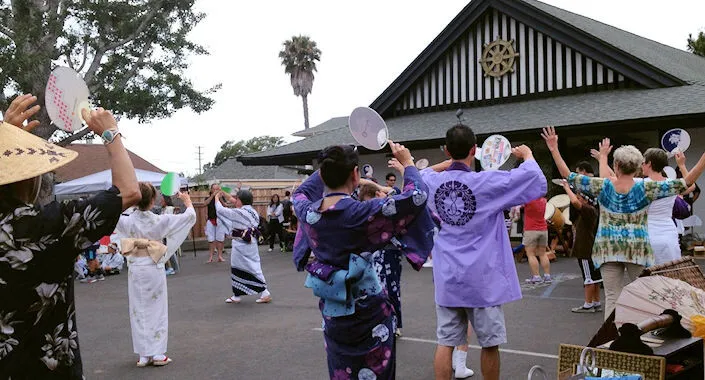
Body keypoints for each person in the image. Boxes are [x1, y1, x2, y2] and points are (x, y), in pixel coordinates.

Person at [0, 95, 141, 379]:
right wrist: (110, 133)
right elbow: (129, 191)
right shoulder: (49, 225)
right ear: (32, 178)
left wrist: (5, 139)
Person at [292, 142, 434, 380]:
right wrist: (408, 163)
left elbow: (300, 193)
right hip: (369, 312)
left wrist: (331, 164)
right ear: (355, 174)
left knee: (342, 372)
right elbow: (417, 197)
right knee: (376, 372)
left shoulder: (309, 213)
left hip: (333, 312)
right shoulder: (362, 213)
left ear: (324, 174)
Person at [421, 124, 545, 380]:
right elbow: (533, 179)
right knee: (489, 344)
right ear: (474, 150)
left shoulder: (433, 182)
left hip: (448, 275)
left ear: (446, 150)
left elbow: (417, 175)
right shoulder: (485, 182)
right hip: (482, 276)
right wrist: (528, 155)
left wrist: (444, 165)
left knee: (445, 341)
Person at [542, 126, 705, 320]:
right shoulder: (647, 187)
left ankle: (611, 340)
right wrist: (703, 159)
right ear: (637, 167)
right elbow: (686, 183)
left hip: (607, 250)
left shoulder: (603, 185)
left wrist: (554, 149)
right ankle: (639, 335)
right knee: (642, 296)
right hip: (637, 250)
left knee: (612, 297)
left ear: (616, 165)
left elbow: (568, 175)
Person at [115, 183, 196, 367]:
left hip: (136, 268)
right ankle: (158, 353)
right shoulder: (161, 220)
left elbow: (111, 217)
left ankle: (144, 355)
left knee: (138, 309)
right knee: (157, 309)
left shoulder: (127, 221)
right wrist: (187, 200)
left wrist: (124, 200)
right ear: (153, 200)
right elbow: (190, 217)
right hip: (153, 266)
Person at [215, 189, 273, 304]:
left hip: (242, 244)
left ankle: (262, 292)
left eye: (237, 199)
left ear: (241, 201)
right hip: (250, 242)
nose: (235, 201)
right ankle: (239, 294)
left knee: (241, 267)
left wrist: (216, 198)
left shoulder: (240, 212)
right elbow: (234, 201)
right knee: (253, 267)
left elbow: (221, 210)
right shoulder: (252, 211)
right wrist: (223, 193)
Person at [561, 173, 602, 313]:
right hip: (591, 248)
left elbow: (574, 203)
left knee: (588, 278)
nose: (577, 199)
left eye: (580, 198)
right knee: (596, 277)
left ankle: (588, 304)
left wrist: (567, 188)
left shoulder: (589, 210)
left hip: (585, 250)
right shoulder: (591, 211)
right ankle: (596, 302)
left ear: (586, 200)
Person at [522, 196, 551, 284]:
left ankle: (536, 276)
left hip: (531, 229)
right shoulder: (544, 200)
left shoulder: (528, 200)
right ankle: (547, 276)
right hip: (543, 229)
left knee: (530, 254)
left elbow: (518, 205)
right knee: (542, 253)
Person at [204, 183, 226, 263]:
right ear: (211, 190)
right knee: (211, 239)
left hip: (220, 219)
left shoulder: (221, 197)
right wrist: (213, 196)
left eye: (217, 189)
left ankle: (220, 256)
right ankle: (211, 257)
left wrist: (219, 198)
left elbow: (225, 205)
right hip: (211, 219)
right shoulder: (208, 197)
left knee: (220, 239)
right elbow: (205, 203)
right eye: (214, 189)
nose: (216, 190)